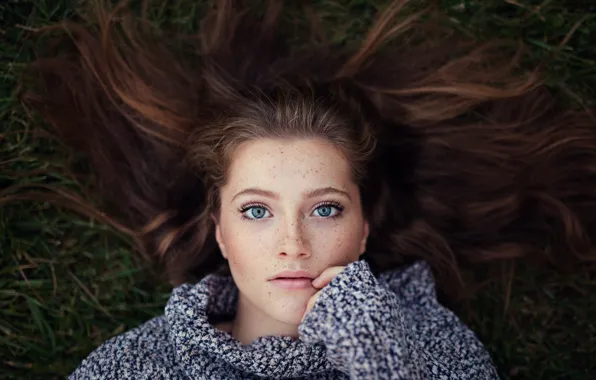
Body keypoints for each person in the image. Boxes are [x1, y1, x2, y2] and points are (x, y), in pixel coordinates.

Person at [20, 0, 596, 378]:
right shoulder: (137, 365)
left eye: (324, 208)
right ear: (220, 231)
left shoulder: (432, 342)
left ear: (364, 226)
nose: (292, 243)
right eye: (256, 211)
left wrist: (370, 343)